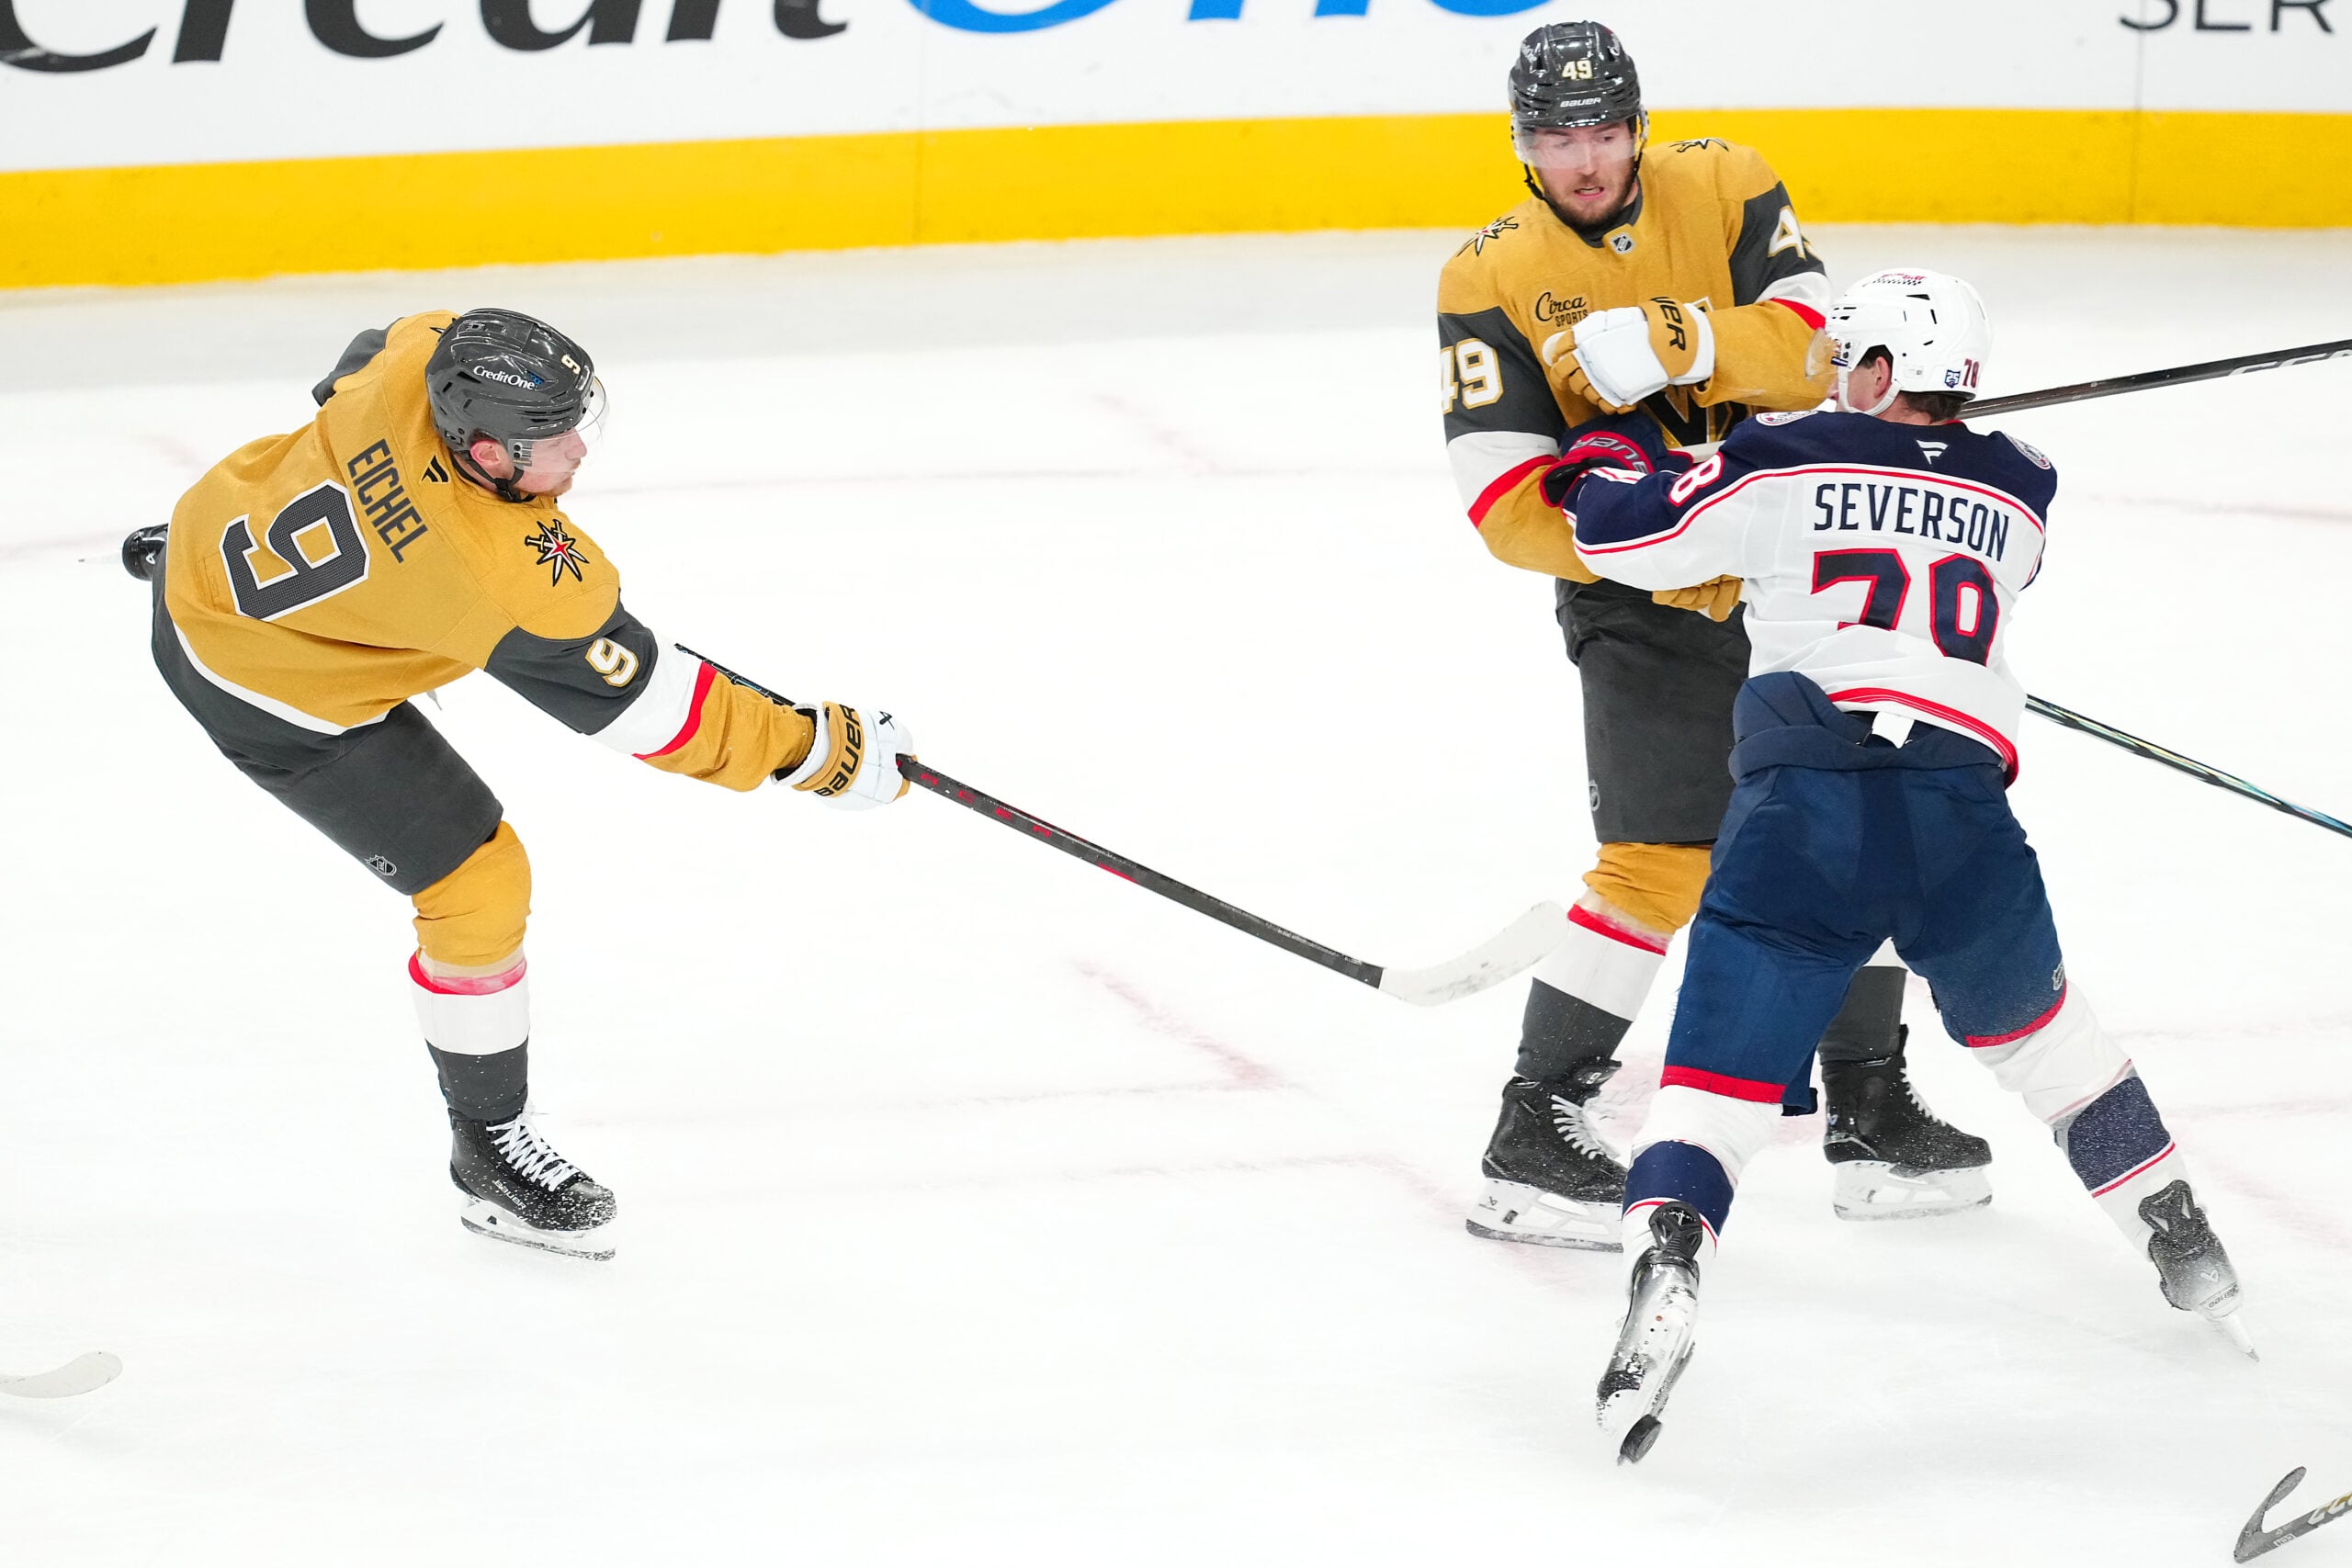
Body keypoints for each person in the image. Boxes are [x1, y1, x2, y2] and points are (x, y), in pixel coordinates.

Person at [1550, 268, 2249, 1462]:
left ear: (1879, 373)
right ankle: (2175, 1225)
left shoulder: (1786, 454)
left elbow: (1624, 531)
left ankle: (1670, 1254)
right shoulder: (2022, 488)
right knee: (2049, 1041)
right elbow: (1977, 548)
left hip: (1805, 811)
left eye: (1847, 361)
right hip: (1961, 816)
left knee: (1712, 1095)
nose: (1832, 378)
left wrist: (1598, 448)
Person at [124, 309, 912, 1260]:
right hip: (260, 686)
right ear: (487, 451)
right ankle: (488, 1152)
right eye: (549, 440)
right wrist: (812, 752)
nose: (578, 448)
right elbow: (660, 714)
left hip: (213, 533)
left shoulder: (422, 358)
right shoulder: (509, 580)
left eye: (580, 421)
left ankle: (211, 570)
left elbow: (356, 366)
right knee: (478, 885)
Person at [1440, 19, 1993, 1250]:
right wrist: (1656, 541)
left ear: (1638, 123)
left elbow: (1815, 354)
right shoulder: (1483, 276)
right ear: (1522, 147)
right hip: (1640, 606)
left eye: (1602, 129)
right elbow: (1500, 502)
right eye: (1554, 136)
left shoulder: (1731, 182)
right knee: (1659, 861)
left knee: (1863, 819)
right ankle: (1534, 1123)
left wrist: (1685, 339)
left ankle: (1867, 1102)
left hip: (1791, 570)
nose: (1584, 158)